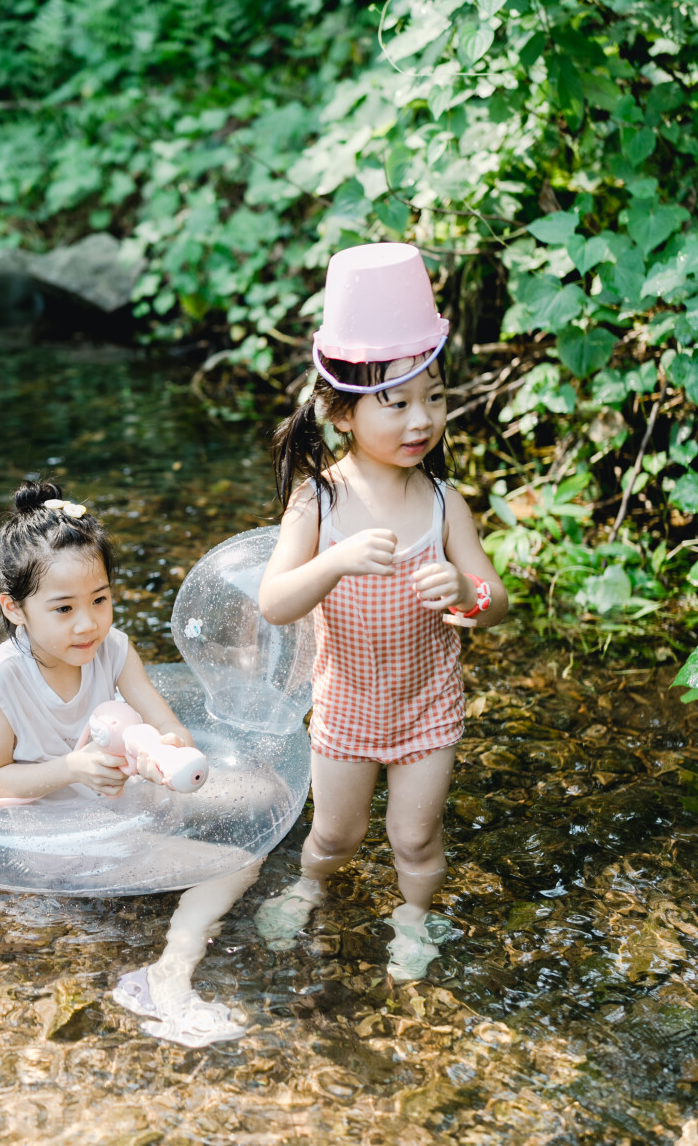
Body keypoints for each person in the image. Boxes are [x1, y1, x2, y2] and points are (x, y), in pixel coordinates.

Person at [254, 243, 508, 980]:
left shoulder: (441, 503)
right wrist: (332, 560)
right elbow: (274, 603)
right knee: (334, 834)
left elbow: (500, 604)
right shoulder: (319, 502)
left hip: (427, 706)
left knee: (415, 838)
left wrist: (467, 596)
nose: (420, 418)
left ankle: (414, 920)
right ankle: (309, 887)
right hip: (346, 707)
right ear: (339, 411)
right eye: (395, 402)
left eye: (433, 396)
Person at [0, 478, 255, 1045]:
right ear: (15, 607)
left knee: (264, 794)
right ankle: (166, 978)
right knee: (237, 864)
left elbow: (169, 724)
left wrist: (159, 752)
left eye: (100, 599)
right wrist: (74, 768)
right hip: (55, 831)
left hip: (124, 801)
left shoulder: (115, 649)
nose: (87, 624)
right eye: (63, 608)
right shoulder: (0, 680)